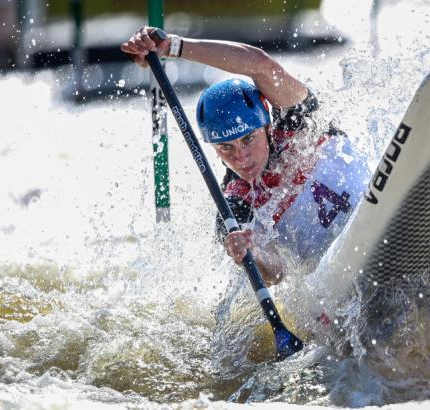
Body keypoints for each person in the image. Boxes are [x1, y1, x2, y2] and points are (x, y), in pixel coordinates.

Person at [122, 27, 371, 285]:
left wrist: (174, 46)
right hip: (336, 278)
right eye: (226, 148)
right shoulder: (234, 203)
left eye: (248, 139)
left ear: (265, 125)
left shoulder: (299, 122)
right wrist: (251, 254)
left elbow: (261, 65)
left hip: (373, 207)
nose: (242, 158)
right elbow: (276, 274)